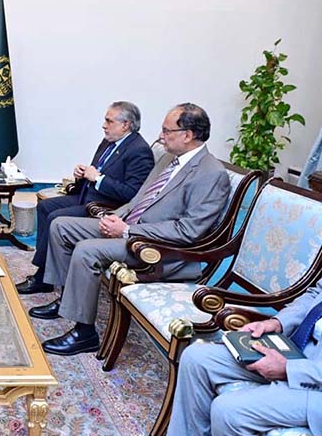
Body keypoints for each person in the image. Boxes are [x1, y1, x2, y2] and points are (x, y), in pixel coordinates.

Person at [30, 103, 231, 355]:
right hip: (131, 227)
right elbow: (139, 198)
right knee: (61, 226)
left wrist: (127, 231)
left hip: (160, 249)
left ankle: (84, 333)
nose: (160, 136)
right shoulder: (170, 159)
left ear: (187, 135)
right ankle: (66, 301)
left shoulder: (211, 174)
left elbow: (188, 231)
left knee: (86, 250)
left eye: (167, 131)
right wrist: (116, 217)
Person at [17, 101, 154, 296]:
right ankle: (45, 272)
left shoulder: (139, 150)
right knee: (45, 207)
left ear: (126, 125)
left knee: (56, 217)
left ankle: (43, 279)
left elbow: (131, 194)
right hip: (87, 196)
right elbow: (96, 173)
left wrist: (98, 178)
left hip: (105, 207)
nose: (104, 125)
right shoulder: (108, 141)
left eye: (109, 121)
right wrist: (81, 175)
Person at [166, 282, 322, 436]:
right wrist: (277, 323)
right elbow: (316, 293)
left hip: (316, 385)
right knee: (196, 358)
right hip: (301, 351)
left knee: (228, 411)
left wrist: (289, 369)